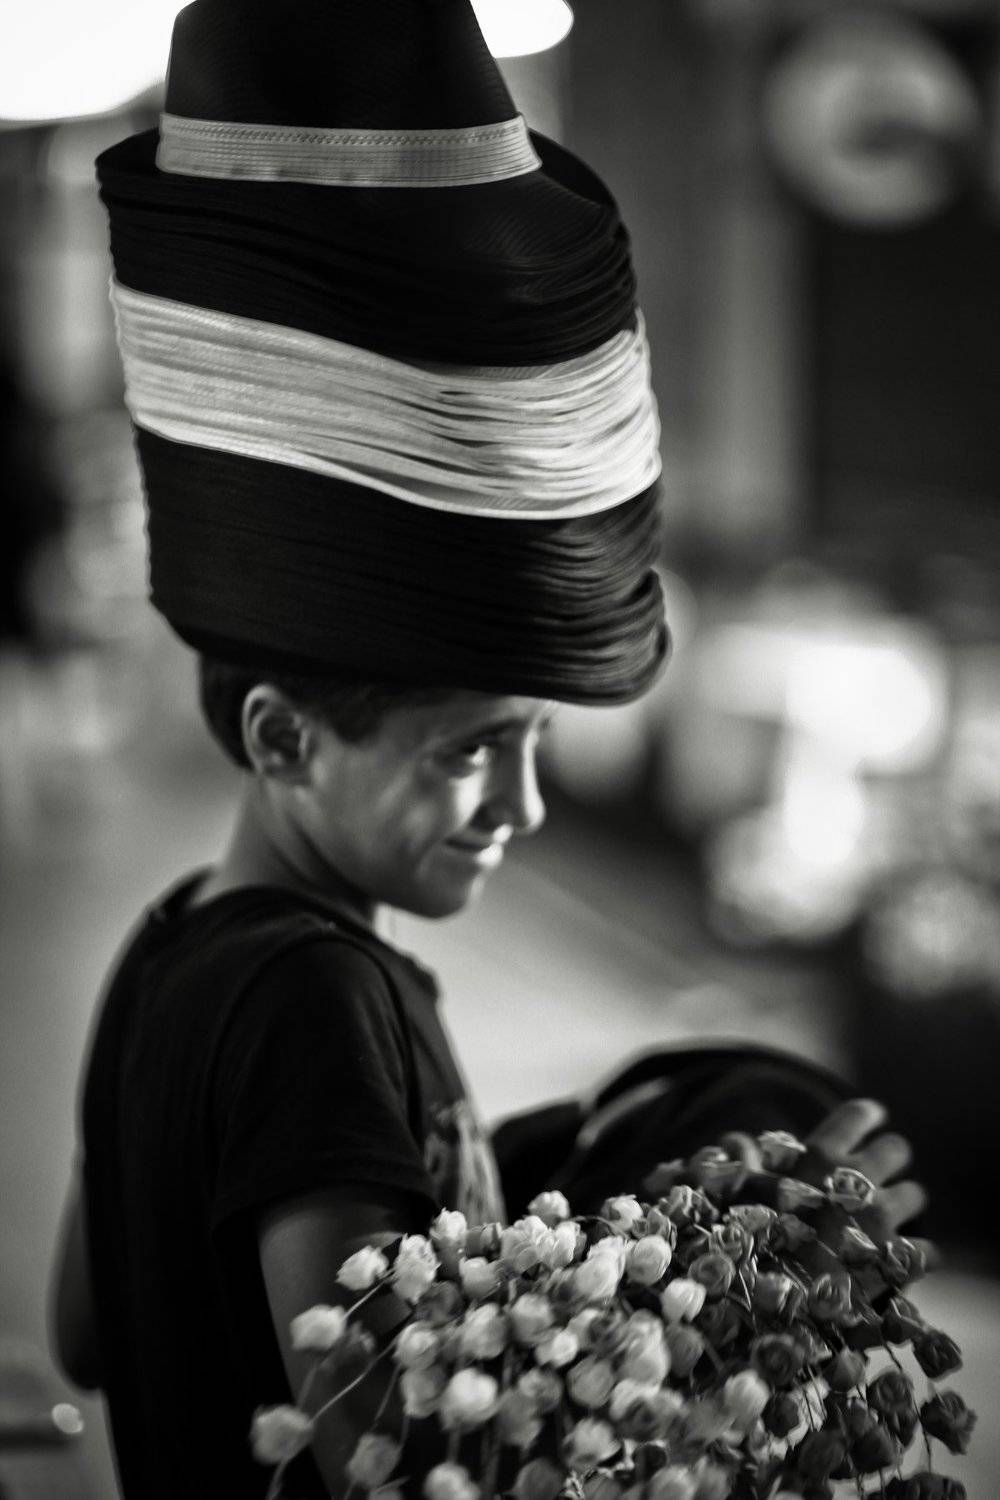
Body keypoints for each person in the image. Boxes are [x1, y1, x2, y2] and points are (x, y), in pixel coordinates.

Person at [50, 2, 926, 1496]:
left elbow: (87, 1328)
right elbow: (380, 1444)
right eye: (473, 749)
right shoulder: (318, 997)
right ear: (284, 736)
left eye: (535, 741)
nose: (521, 801)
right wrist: (679, 1285)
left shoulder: (170, 944)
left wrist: (549, 1187)